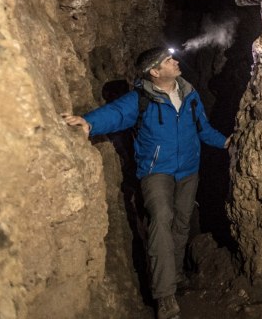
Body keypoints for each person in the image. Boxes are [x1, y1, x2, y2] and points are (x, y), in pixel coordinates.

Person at [64, 47, 230, 319]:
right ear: (154, 71)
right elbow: (115, 114)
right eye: (168, 60)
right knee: (161, 218)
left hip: (188, 170)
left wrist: (225, 142)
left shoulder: (190, 94)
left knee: (181, 223)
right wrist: (88, 122)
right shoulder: (140, 99)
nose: (175, 62)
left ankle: (175, 276)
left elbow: (203, 128)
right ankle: (165, 296)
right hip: (156, 172)